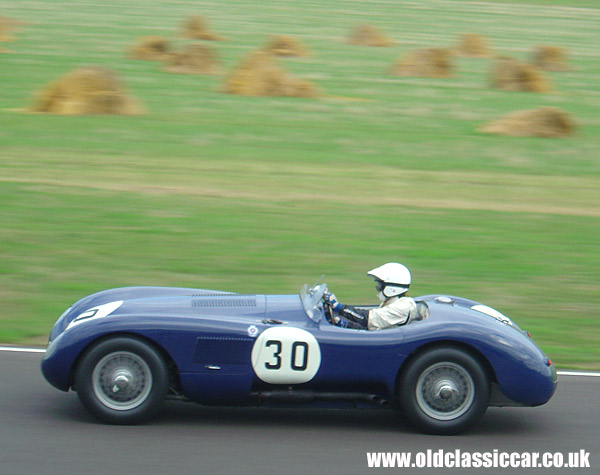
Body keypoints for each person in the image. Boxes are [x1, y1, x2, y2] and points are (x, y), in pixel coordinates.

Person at [323, 262, 417, 330]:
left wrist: (337, 306)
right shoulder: (392, 302)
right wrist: (343, 323)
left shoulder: (403, 307)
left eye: (379, 285)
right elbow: (371, 328)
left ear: (392, 288)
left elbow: (368, 319)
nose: (377, 288)